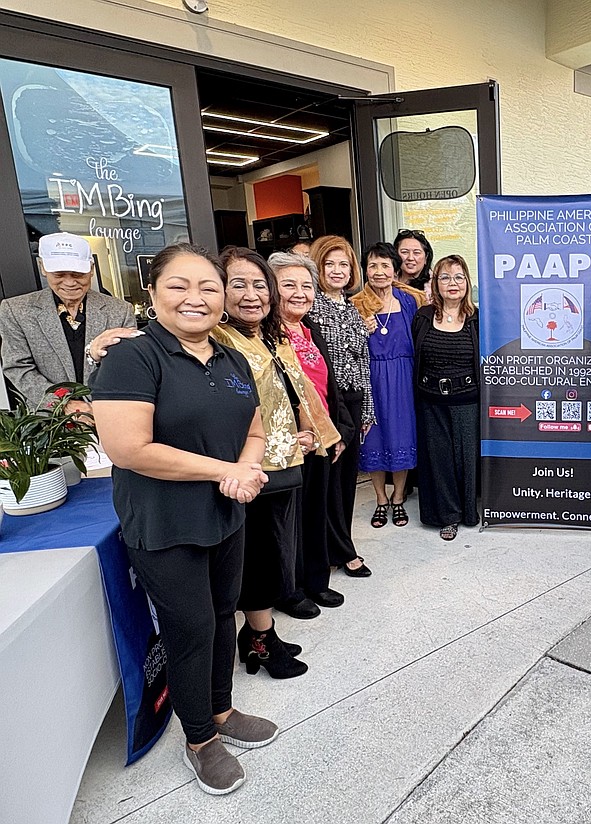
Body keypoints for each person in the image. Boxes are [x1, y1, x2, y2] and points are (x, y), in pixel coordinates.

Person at [90, 243, 278, 795]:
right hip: (165, 522)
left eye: (209, 287)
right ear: (151, 292)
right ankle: (200, 739)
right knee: (190, 628)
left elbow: (255, 428)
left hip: (226, 512)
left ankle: (220, 710)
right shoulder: (133, 355)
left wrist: (244, 470)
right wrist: (225, 469)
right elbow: (128, 448)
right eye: (179, 285)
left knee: (223, 614)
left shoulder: (232, 356)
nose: (195, 298)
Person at [217, 247, 334, 675]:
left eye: (259, 284)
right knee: (256, 555)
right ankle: (260, 639)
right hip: (243, 465)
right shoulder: (214, 337)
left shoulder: (266, 334)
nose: (251, 294)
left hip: (283, 462)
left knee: (269, 549)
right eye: (238, 284)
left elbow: (292, 389)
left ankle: (258, 632)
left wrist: (313, 432)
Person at [270, 252, 355, 613]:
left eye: (306, 285)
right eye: (289, 285)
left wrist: (336, 430)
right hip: (289, 439)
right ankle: (290, 590)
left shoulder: (309, 328)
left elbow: (327, 386)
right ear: (272, 289)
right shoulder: (268, 333)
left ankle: (316, 581)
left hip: (320, 433)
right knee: (290, 520)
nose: (299, 293)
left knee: (318, 509)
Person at [0, 232, 138, 412]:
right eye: (59, 274)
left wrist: (97, 407)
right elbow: (18, 367)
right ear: (43, 267)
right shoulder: (15, 310)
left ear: (92, 269)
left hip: (108, 413)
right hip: (48, 422)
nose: (69, 282)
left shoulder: (120, 310)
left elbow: (128, 367)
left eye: (78, 274)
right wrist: (63, 405)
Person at [308, 235, 377, 577]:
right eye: (330, 264)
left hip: (353, 399)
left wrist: (367, 408)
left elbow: (362, 360)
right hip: (327, 403)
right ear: (318, 268)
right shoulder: (311, 307)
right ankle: (339, 551)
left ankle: (341, 544)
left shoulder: (351, 306)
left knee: (347, 481)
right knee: (329, 483)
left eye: (344, 265)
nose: (337, 271)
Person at [351, 242, 424, 527]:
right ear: (365, 270)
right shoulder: (355, 304)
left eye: (385, 265)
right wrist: (360, 332)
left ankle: (398, 498)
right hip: (371, 379)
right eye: (372, 266)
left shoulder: (410, 300)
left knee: (402, 435)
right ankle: (381, 498)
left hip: (404, 377)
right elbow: (348, 349)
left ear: (395, 270)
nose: (379, 272)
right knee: (374, 438)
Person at [412, 254, 480, 540]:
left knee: (466, 459)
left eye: (458, 277)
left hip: (467, 400)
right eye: (445, 277)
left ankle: (468, 512)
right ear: (435, 283)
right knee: (439, 461)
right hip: (431, 400)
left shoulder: (477, 318)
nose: (452, 283)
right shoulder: (423, 316)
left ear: (467, 282)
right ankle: (448, 516)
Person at [394, 228, 433, 292]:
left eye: (416, 253)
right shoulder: (387, 281)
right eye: (404, 252)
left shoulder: (436, 285)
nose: (410, 258)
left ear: (426, 257)